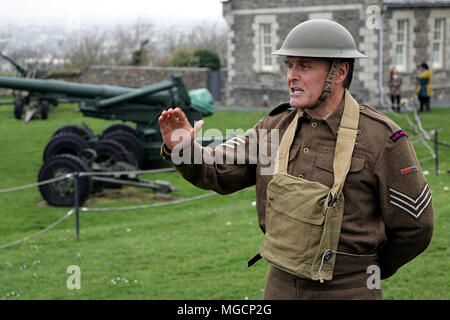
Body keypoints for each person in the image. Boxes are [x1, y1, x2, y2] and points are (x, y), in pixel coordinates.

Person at [158, 19, 434, 300]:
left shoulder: (381, 139)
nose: (291, 75)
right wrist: (184, 149)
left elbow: (415, 227)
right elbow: (217, 170)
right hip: (279, 286)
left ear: (339, 72)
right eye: (289, 65)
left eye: (304, 65)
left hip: (348, 290)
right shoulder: (273, 127)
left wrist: (365, 269)